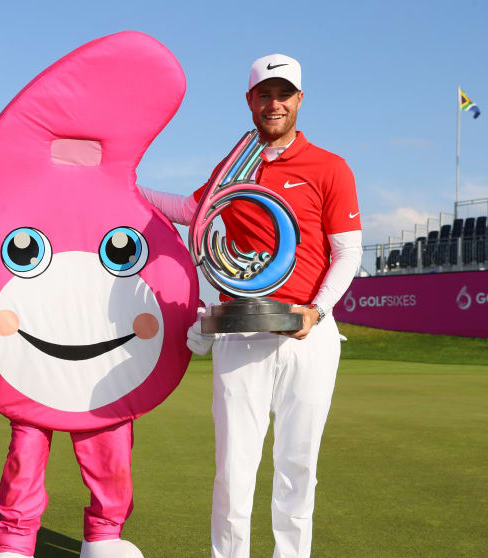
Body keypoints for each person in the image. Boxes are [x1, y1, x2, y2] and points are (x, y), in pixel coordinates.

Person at [139, 54, 363, 558]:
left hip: (308, 332)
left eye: (284, 94)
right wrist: (127, 192)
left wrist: (317, 311)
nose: (274, 103)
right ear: (250, 101)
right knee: (234, 468)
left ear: (300, 100)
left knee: (298, 466)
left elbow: (349, 252)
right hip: (241, 331)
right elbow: (194, 212)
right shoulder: (233, 165)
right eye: (265, 94)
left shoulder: (329, 166)